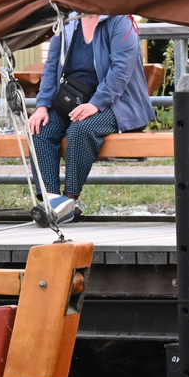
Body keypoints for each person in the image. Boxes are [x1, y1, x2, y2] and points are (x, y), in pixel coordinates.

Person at [28, 13, 154, 222]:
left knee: (80, 129)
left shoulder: (122, 21)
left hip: (118, 103)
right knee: (40, 130)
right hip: (74, 99)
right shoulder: (67, 22)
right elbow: (51, 66)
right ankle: (52, 202)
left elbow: (120, 71)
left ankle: (69, 201)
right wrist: (42, 106)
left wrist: (96, 104)